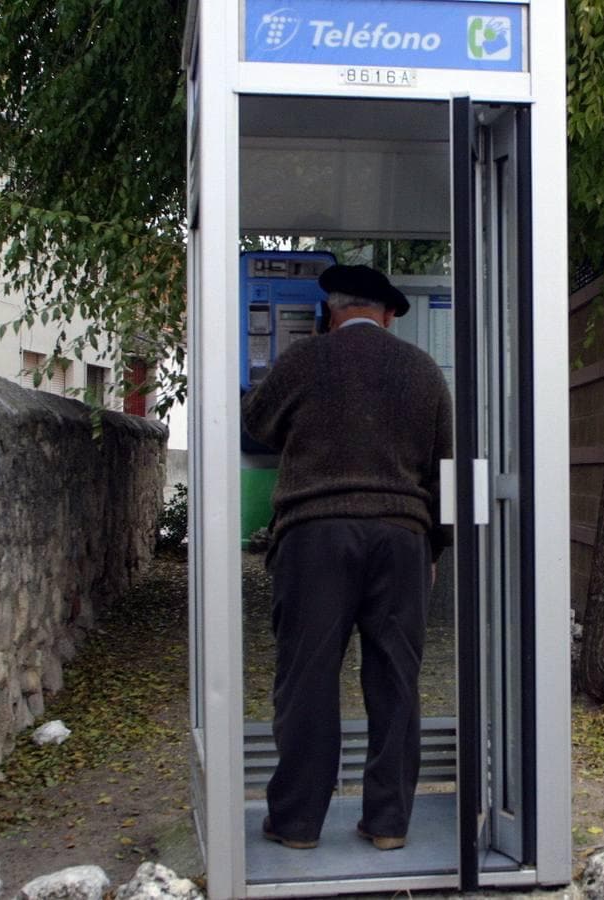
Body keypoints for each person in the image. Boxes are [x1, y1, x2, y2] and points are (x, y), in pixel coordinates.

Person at [241, 263, 453, 852]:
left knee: (307, 678)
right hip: (401, 538)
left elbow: (255, 420)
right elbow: (445, 469)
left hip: (315, 537)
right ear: (387, 315)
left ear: (330, 312)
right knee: (395, 683)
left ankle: (297, 822)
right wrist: (434, 546)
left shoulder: (304, 360)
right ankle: (387, 823)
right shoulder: (424, 371)